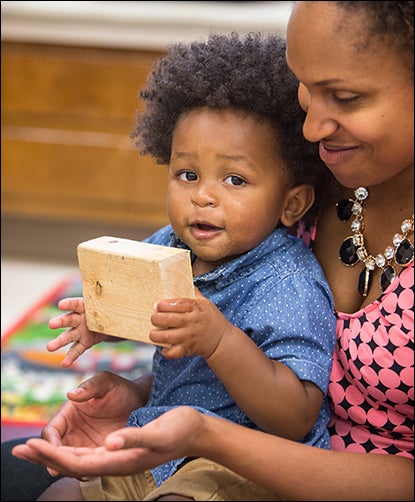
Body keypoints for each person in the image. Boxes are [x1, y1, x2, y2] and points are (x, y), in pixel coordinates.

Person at [7, 0, 415, 500]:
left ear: (292, 203)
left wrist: (206, 433)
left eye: (346, 97)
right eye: (305, 91)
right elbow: (187, 340)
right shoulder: (307, 175)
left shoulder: (284, 257)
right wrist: (138, 395)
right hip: (187, 445)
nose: (310, 129)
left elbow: (282, 404)